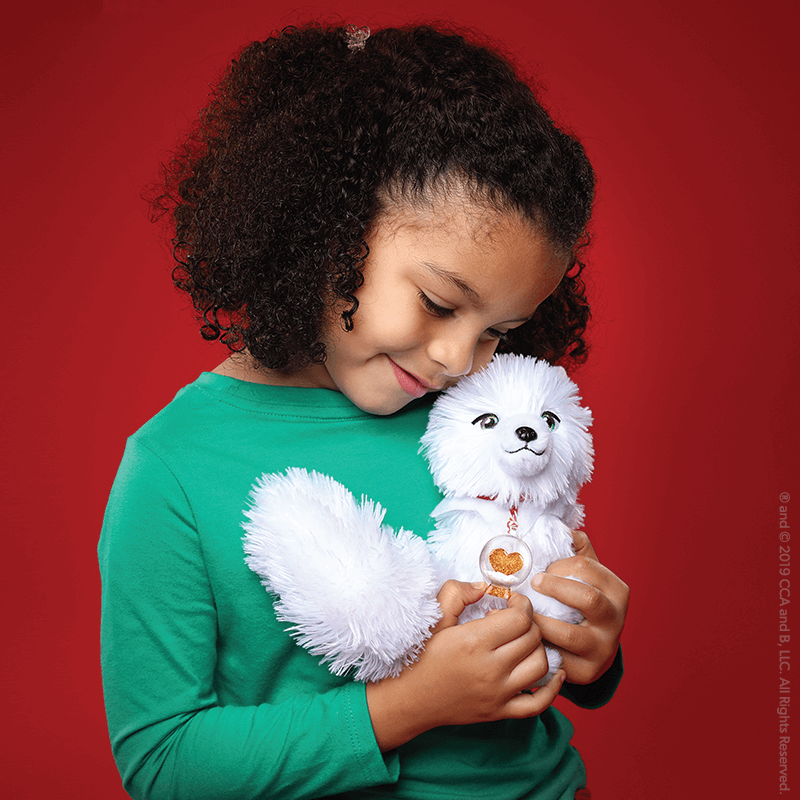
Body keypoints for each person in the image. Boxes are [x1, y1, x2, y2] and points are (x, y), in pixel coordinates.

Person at [99, 22, 629, 800]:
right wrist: (403, 709)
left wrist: (595, 648)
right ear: (327, 228)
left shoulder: (476, 422)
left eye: (499, 333)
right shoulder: (173, 469)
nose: (458, 359)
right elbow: (164, 762)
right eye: (438, 302)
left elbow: (545, 617)